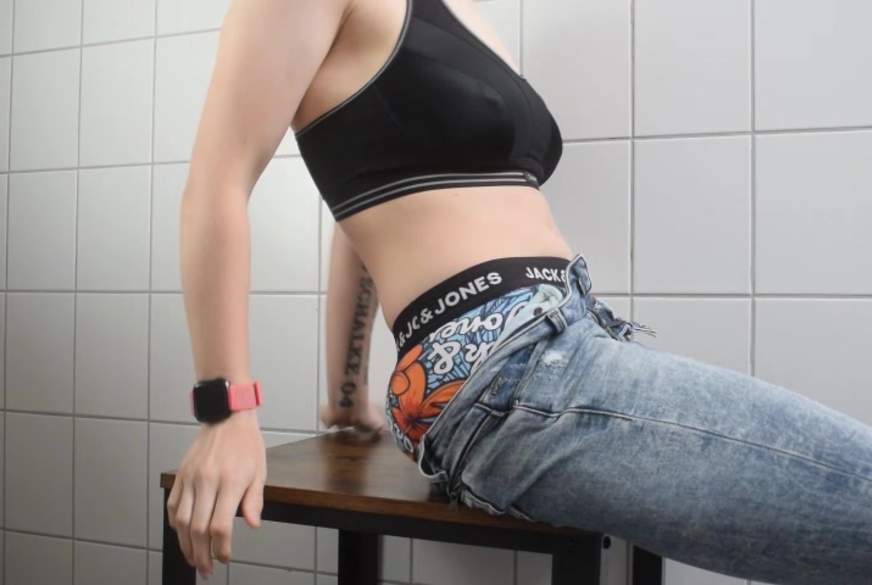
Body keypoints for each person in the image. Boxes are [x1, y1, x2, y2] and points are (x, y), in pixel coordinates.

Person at [167, 0, 872, 582]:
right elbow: (216, 183)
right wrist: (226, 413)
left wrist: (345, 396)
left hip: (560, 342)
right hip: (506, 367)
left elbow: (361, 207)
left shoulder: (462, 15)